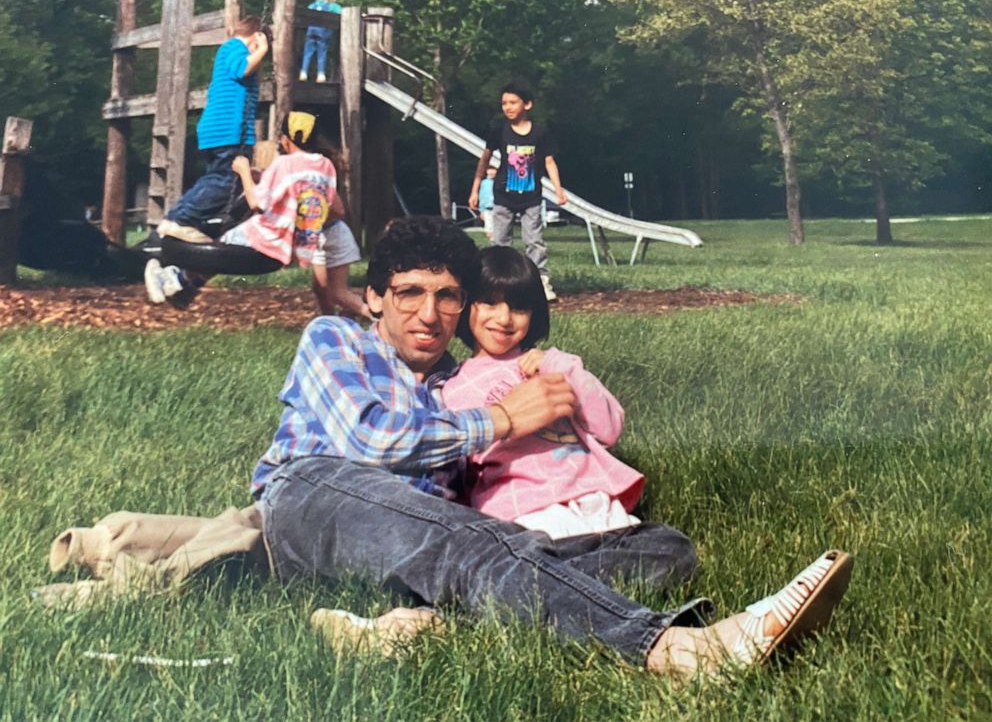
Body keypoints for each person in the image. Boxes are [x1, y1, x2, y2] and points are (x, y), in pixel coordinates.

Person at [252, 216, 853, 683]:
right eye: (409, 293)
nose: (429, 314)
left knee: (662, 549)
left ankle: (420, 627)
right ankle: (685, 649)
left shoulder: (457, 383)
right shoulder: (335, 338)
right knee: (470, 542)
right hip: (316, 498)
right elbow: (369, 440)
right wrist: (504, 418)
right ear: (376, 297)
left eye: (448, 297)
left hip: (421, 551)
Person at [443, 246, 643, 540]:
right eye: (488, 303)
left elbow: (610, 428)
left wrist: (562, 367)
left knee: (662, 549)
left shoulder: (553, 365)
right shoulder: (453, 389)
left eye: (518, 307)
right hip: (526, 509)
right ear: (466, 304)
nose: (504, 318)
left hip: (593, 498)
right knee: (561, 560)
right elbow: (456, 474)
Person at [145, 112, 369, 319]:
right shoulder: (325, 165)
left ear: (285, 140)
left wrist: (244, 173)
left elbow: (256, 203)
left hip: (264, 234)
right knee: (221, 256)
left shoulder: (284, 163)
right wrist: (262, 178)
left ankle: (173, 278)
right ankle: (187, 288)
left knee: (217, 252)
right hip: (288, 244)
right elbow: (310, 195)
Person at [157, 17, 269, 243]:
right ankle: (181, 219)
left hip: (222, 130)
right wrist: (263, 49)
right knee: (225, 180)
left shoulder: (229, 49)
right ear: (256, 36)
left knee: (221, 179)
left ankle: (187, 220)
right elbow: (242, 69)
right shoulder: (234, 48)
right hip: (228, 131)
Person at [469, 81, 567, 303]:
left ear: (527, 104)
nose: (508, 107)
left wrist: (559, 191)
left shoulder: (540, 133)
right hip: (503, 196)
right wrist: (475, 190)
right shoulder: (499, 132)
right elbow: (484, 161)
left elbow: (549, 162)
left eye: (513, 102)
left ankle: (540, 282)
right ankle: (498, 282)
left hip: (531, 197)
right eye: (504, 103)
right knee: (501, 241)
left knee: (534, 241)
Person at [298, 0, 342, 84]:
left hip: (311, 32)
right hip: (323, 33)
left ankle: (303, 73)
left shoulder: (314, 4)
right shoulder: (332, 6)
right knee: (321, 54)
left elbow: (307, 10)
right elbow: (341, 12)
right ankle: (321, 75)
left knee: (307, 53)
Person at [478, 166, 497, 242]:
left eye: (494, 170)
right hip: (487, 208)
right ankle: (492, 241)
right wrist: (481, 210)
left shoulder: (500, 182)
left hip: (498, 207)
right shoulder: (484, 183)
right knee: (488, 228)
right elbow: (481, 196)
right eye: (490, 170)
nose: (492, 172)